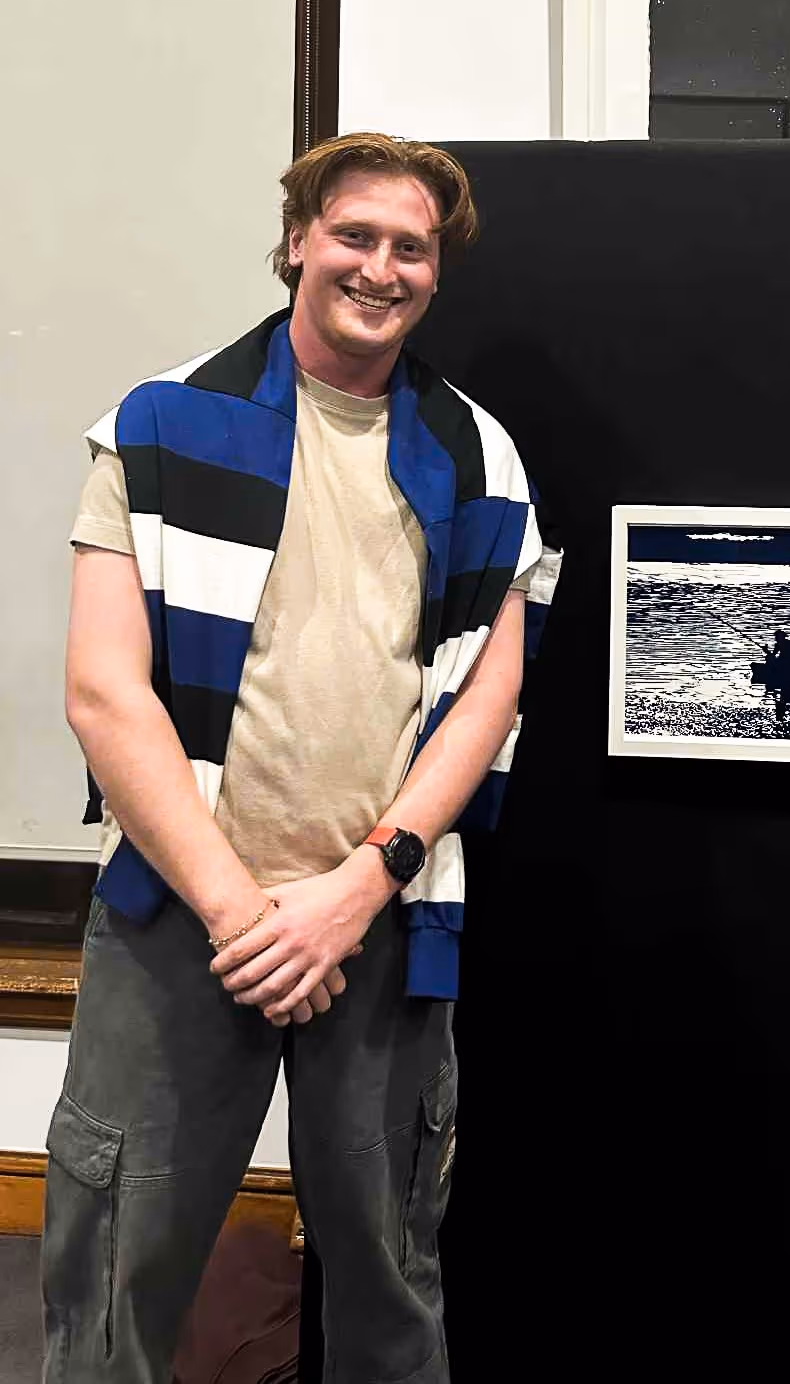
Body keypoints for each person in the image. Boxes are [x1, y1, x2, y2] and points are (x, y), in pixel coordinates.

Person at [43, 132, 559, 1382]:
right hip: (179, 921)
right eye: (354, 235)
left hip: (379, 925)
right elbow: (104, 696)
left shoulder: (480, 459)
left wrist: (355, 891)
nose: (379, 267)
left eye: (411, 247)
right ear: (296, 243)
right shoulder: (161, 426)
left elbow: (487, 704)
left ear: (437, 271)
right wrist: (245, 916)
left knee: (390, 1278)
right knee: (115, 1273)